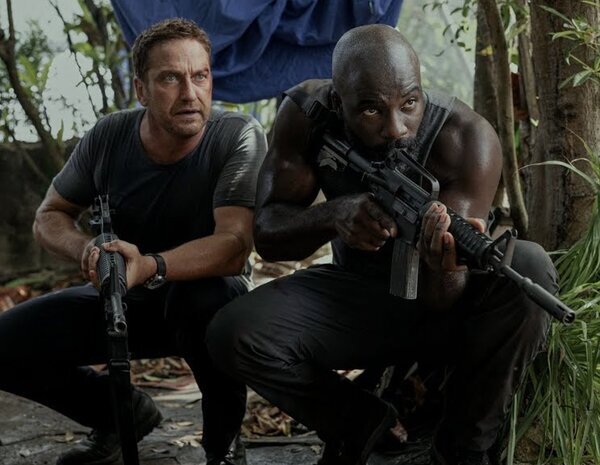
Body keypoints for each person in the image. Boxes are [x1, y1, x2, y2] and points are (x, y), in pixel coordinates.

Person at [206, 24, 556, 465]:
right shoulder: (309, 114)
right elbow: (269, 236)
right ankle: (363, 423)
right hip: (360, 297)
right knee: (233, 332)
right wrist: (333, 215)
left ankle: (465, 448)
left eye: (409, 103)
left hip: (450, 306)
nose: (396, 128)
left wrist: (444, 263)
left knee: (528, 267)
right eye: (372, 110)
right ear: (339, 103)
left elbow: (442, 300)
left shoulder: (466, 138)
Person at [0, 18, 266, 465]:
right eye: (170, 79)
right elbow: (49, 216)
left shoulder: (236, 135)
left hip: (205, 301)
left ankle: (223, 446)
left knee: (205, 301)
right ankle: (118, 415)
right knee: (5, 344)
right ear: (141, 90)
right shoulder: (109, 136)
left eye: (200, 76)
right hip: (122, 295)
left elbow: (234, 244)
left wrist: (151, 264)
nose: (190, 93)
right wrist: (87, 250)